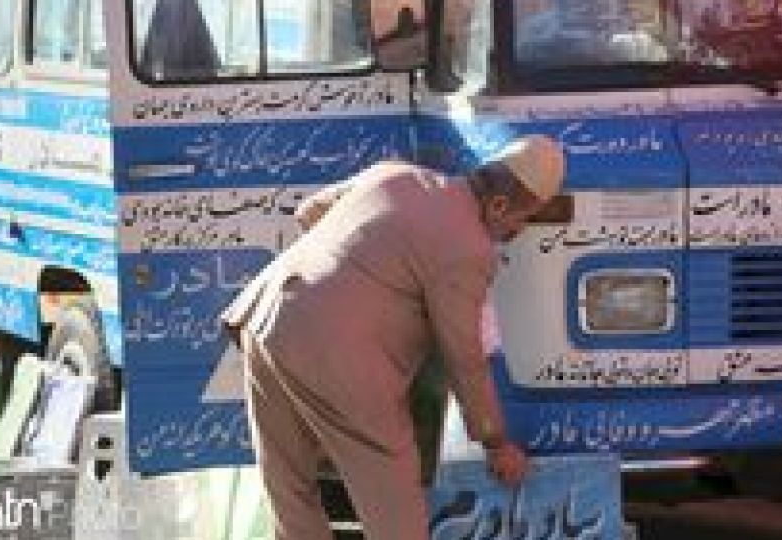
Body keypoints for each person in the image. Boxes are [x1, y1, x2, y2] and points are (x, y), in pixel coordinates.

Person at [220, 135, 566, 540]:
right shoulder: (468, 248)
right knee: (394, 504)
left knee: (290, 490)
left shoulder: (394, 175)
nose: (518, 231)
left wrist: (357, 273)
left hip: (267, 319)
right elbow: (463, 356)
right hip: (338, 357)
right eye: (524, 219)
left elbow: (308, 211)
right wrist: (495, 441)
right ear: (499, 205)